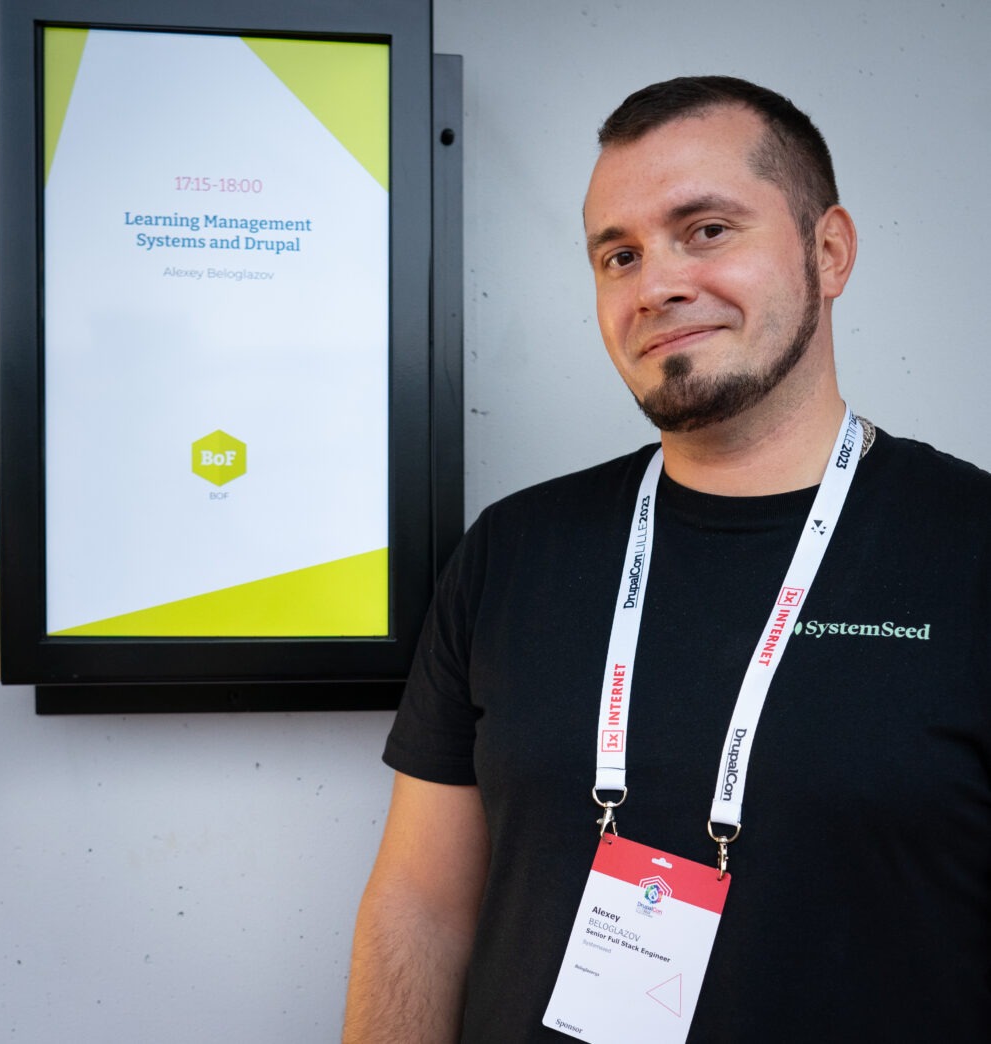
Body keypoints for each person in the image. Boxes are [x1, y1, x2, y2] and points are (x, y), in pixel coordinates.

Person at [342, 76, 991, 1042]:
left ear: (830, 250)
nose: (657, 284)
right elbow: (420, 910)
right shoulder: (510, 556)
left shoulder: (970, 546)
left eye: (707, 230)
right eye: (620, 254)